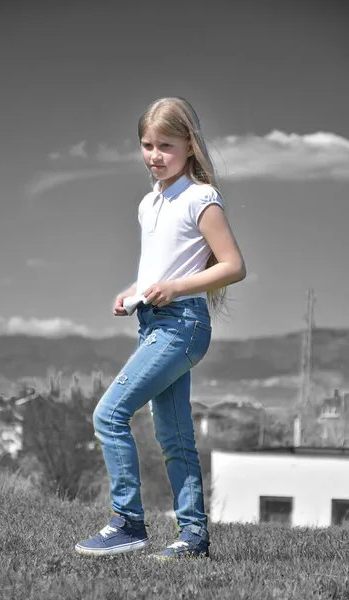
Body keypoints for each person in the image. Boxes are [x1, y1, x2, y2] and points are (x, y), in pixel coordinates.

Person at [75, 97, 246, 559]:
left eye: (165, 146)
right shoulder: (149, 202)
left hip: (184, 326)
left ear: (190, 145)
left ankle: (128, 523)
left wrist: (174, 289)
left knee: (109, 415)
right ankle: (193, 538)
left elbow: (233, 265)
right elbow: (160, 267)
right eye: (146, 145)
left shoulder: (200, 198)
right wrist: (134, 291)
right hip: (153, 325)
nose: (154, 155)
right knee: (174, 436)